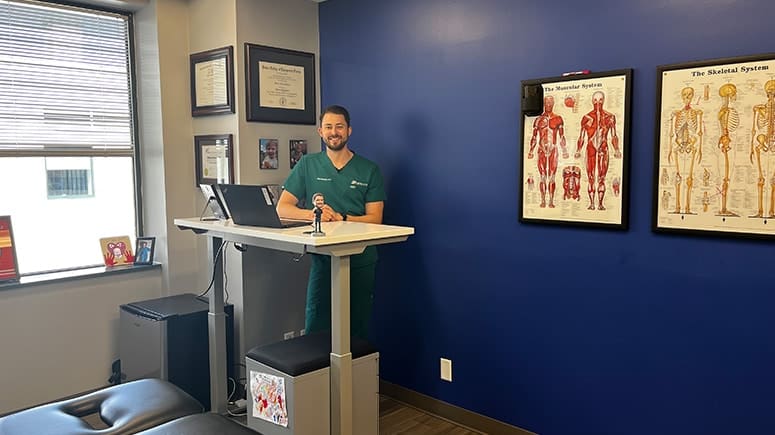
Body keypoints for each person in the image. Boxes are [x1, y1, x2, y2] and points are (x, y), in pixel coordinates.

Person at [276, 105, 386, 340]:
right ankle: (319, 377)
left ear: (349, 131)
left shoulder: (369, 170)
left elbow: (376, 219)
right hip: (324, 260)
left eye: (339, 126)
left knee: (356, 328)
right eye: (328, 127)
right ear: (320, 131)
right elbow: (282, 209)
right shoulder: (307, 164)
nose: (334, 132)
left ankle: (354, 377)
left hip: (361, 259)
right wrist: (314, 214)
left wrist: (342, 218)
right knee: (317, 323)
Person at [575, 90, 621, 211]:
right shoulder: (586, 118)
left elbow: (613, 135)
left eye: (600, 100)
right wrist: (578, 150)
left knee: (601, 178)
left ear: (604, 101)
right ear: (592, 101)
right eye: (595, 100)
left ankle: (600, 204)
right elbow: (582, 136)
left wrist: (617, 149)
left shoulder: (610, 117)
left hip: (603, 148)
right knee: (590, 177)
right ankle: (591, 203)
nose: (598, 103)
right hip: (590, 148)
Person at [527, 95, 568, 208]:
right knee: (543, 176)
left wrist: (564, 150)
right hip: (541, 150)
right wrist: (531, 150)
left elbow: (562, 136)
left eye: (550, 102)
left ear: (553, 103)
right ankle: (543, 200)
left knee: (552, 177)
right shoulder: (538, 119)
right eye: (546, 102)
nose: (548, 105)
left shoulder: (558, 118)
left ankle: (551, 201)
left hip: (553, 150)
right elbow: (534, 137)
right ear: (543, 103)